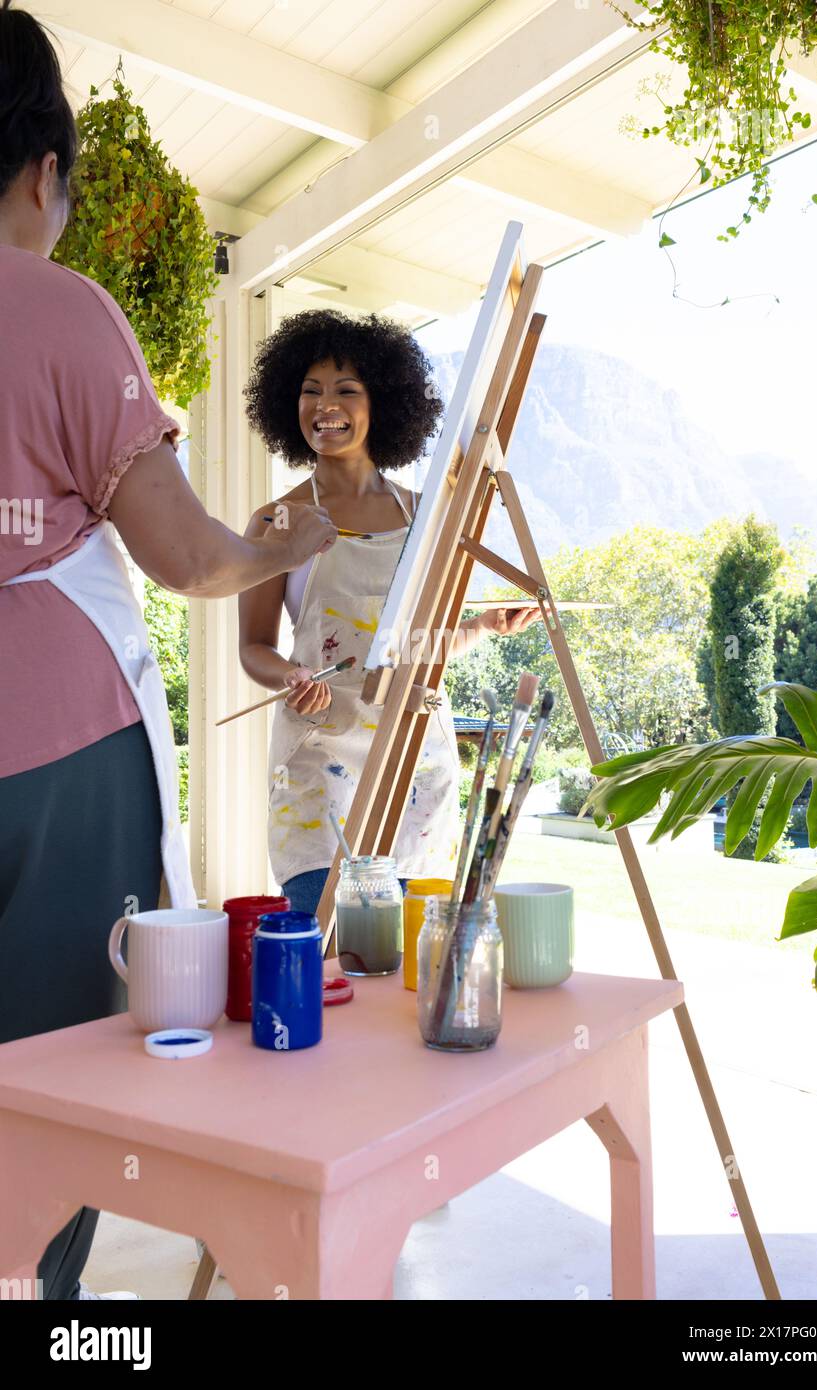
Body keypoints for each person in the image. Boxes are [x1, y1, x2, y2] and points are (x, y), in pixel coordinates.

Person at [0, 0, 337, 1300]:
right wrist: (301, 526)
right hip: (55, 767)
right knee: (53, 1103)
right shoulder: (62, 311)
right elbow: (188, 556)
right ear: (46, 174)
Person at [240, 308, 540, 913]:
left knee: (404, 959)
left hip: (414, 761)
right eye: (310, 390)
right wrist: (290, 677)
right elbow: (254, 648)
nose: (326, 405)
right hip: (318, 765)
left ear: (383, 403)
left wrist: (479, 628)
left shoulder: (427, 518)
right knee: (324, 948)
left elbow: (416, 645)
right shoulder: (277, 521)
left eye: (346, 390)